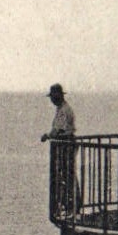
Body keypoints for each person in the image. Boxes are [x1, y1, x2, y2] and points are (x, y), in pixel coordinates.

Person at [42, 84, 77, 218]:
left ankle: (71, 207)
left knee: (67, 176)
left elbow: (58, 130)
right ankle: (71, 205)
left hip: (66, 145)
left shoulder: (63, 110)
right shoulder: (61, 109)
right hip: (66, 145)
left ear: (59, 96)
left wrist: (47, 136)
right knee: (67, 176)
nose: (51, 100)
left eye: (53, 97)